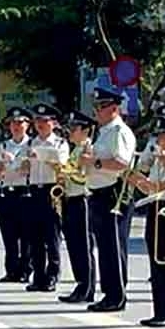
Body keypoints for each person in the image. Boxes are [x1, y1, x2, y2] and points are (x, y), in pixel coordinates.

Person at [124, 110, 165, 327]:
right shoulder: (159, 153)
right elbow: (147, 174)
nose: (159, 139)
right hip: (155, 205)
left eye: (164, 135)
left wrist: (146, 185)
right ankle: (161, 309)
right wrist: (139, 176)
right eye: (158, 135)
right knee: (157, 260)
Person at [84, 87, 138, 312]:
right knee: (105, 246)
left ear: (114, 108)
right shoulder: (105, 131)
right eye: (96, 107)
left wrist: (94, 163)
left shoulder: (119, 132)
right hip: (100, 192)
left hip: (114, 192)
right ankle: (109, 293)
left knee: (114, 246)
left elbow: (122, 163)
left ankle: (117, 295)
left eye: (101, 107)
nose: (97, 111)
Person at [24, 105, 68, 292]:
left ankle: (52, 274)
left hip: (52, 191)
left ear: (53, 123)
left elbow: (61, 163)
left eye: (45, 121)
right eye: (38, 121)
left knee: (52, 236)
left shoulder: (59, 144)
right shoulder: (31, 143)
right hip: (35, 189)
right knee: (35, 237)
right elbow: (24, 166)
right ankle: (38, 275)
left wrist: (41, 155)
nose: (40, 125)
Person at [55, 111, 97, 302]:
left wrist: (66, 171)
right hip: (71, 198)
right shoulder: (76, 149)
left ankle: (86, 287)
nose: (70, 132)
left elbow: (83, 176)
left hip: (82, 198)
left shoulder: (88, 149)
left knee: (83, 244)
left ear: (85, 130)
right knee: (74, 244)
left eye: (74, 128)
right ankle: (81, 283)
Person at [0, 108, 33, 283]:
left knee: (26, 235)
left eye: (20, 123)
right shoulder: (2, 146)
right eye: (13, 123)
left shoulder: (32, 145)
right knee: (9, 235)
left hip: (25, 191)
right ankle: (11, 269)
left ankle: (25, 269)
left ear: (27, 125)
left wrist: (21, 164)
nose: (16, 126)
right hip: (7, 192)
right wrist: (1, 166)